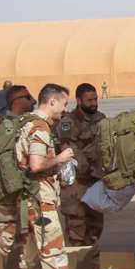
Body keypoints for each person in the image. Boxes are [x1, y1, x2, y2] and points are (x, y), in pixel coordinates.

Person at [16, 83, 82, 269]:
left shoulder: (26, 123)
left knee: (31, 260)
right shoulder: (39, 128)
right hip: (41, 203)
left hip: (29, 203)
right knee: (54, 260)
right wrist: (60, 159)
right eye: (64, 104)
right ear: (51, 102)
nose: (65, 110)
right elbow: (36, 164)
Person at [57, 82, 106, 246]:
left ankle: (91, 265)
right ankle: (78, 266)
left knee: (95, 226)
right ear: (79, 100)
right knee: (77, 227)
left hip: (96, 182)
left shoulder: (101, 119)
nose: (93, 103)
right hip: (77, 183)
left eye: (95, 99)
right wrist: (90, 168)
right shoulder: (68, 122)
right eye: (89, 100)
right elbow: (69, 149)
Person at [0, 85, 34, 260]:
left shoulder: (27, 122)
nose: (32, 101)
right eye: (27, 97)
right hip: (7, 190)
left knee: (26, 234)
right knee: (4, 233)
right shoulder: (3, 126)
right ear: (16, 101)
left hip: (24, 189)